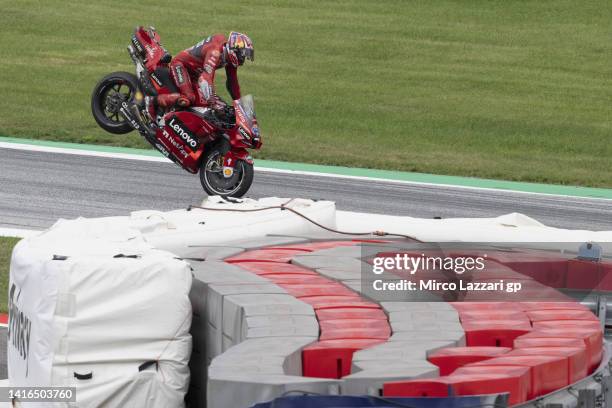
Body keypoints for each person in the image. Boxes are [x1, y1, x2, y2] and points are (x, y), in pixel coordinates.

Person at [156, 31, 254, 112]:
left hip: (195, 74)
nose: (242, 59)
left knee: (203, 104)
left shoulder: (229, 58)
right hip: (180, 66)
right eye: (242, 55)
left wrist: (240, 107)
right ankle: (154, 101)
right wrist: (213, 102)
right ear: (234, 49)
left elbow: (233, 83)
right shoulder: (215, 52)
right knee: (189, 98)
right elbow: (206, 78)